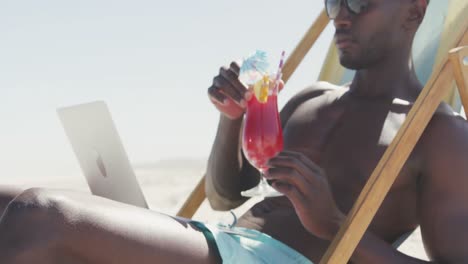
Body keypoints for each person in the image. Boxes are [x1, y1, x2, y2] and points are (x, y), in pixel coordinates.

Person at [0, 0, 467, 263]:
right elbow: (226, 197)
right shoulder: (312, 99)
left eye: (360, 1)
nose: (341, 16)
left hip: (272, 260)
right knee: (7, 200)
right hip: (218, 235)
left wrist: (338, 226)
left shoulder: (438, 134)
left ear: (413, 9)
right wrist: (232, 121)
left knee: (39, 215)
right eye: (333, 2)